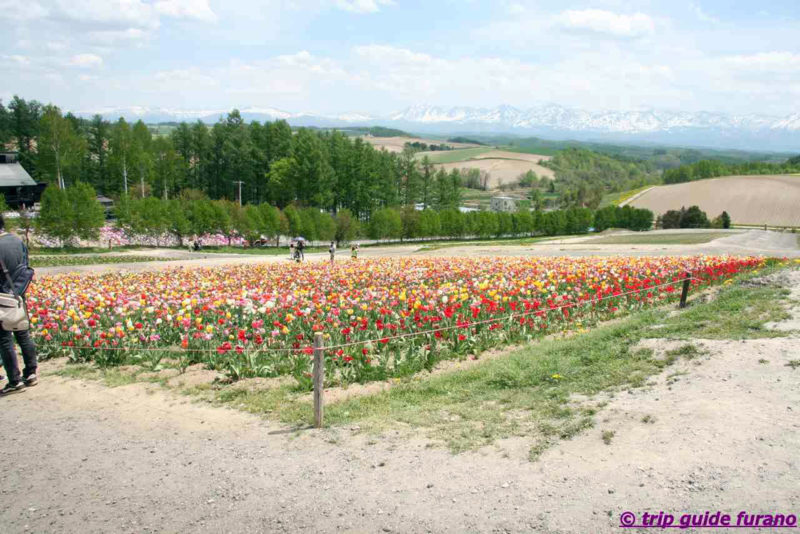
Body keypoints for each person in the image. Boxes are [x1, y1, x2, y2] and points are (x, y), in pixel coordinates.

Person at [0, 215, 37, 396]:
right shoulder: (17, 240)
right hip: (18, 294)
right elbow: (25, 266)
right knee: (23, 333)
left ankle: (14, 380)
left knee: (5, 339)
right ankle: (31, 373)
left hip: (1, 297)